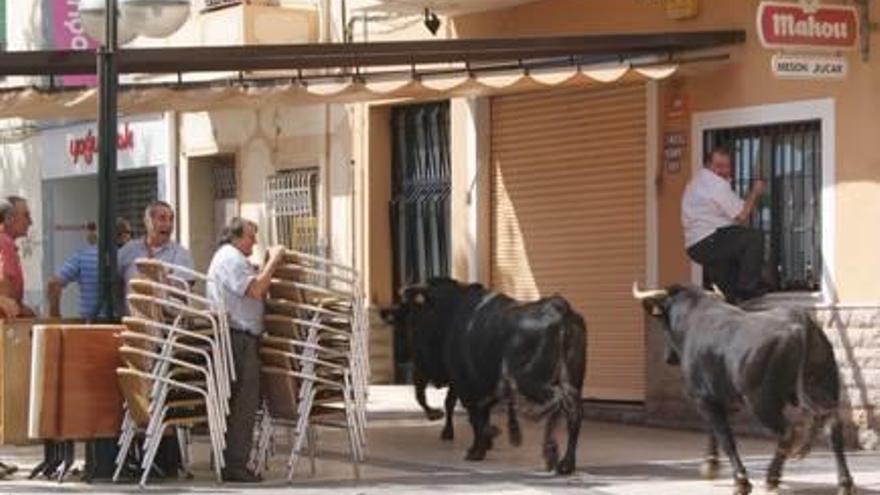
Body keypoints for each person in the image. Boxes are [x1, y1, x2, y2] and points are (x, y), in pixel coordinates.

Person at [206, 218, 284, 482]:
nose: (254, 242)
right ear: (235, 237)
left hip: (240, 334)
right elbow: (255, 289)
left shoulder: (233, 258)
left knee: (242, 401)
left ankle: (232, 461)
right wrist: (273, 261)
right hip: (238, 336)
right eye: (251, 237)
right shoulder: (230, 258)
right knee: (244, 403)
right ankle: (236, 465)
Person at [681, 147, 767, 303]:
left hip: (698, 245)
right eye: (718, 165)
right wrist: (755, 192)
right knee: (754, 238)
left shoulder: (699, 181)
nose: (723, 170)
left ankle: (737, 296)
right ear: (708, 165)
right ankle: (748, 288)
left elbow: (742, 211)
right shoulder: (715, 184)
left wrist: (750, 199)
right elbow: (742, 216)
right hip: (709, 239)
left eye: (726, 166)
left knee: (732, 294)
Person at [118, 201, 194, 313]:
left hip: (168, 325)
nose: (168, 225)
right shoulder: (128, 251)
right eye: (162, 218)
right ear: (147, 222)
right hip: (132, 323)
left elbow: (183, 292)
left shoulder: (181, 254)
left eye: (171, 219)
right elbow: (114, 283)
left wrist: (159, 282)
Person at [47, 218, 130, 319]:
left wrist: (54, 316)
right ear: (123, 236)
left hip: (90, 326)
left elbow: (53, 284)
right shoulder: (129, 258)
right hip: (123, 326)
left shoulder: (83, 255)